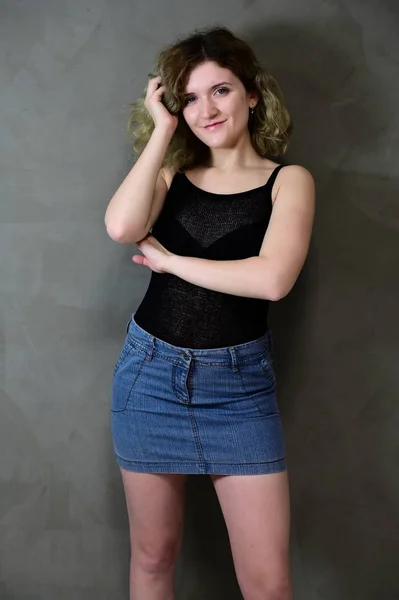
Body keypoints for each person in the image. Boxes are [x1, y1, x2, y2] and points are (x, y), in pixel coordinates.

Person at [105, 25, 315, 600]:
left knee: (268, 585)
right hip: (149, 378)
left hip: (240, 390)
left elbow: (272, 280)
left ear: (252, 93)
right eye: (189, 98)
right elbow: (122, 227)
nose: (207, 109)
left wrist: (173, 263)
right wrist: (162, 131)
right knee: (153, 558)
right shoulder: (170, 176)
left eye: (220, 91)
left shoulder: (288, 182)